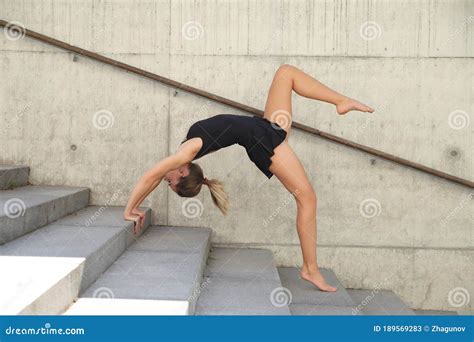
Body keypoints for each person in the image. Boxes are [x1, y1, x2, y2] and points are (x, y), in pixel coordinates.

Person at [124, 64, 374, 292]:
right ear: (183, 171)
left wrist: (132, 207)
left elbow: (152, 176)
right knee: (307, 199)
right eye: (169, 183)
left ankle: (341, 101)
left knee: (285, 73)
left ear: (181, 173)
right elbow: (152, 176)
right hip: (262, 141)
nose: (164, 179)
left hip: (264, 128)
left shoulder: (185, 151)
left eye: (168, 183)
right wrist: (131, 207)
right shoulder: (185, 154)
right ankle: (310, 269)